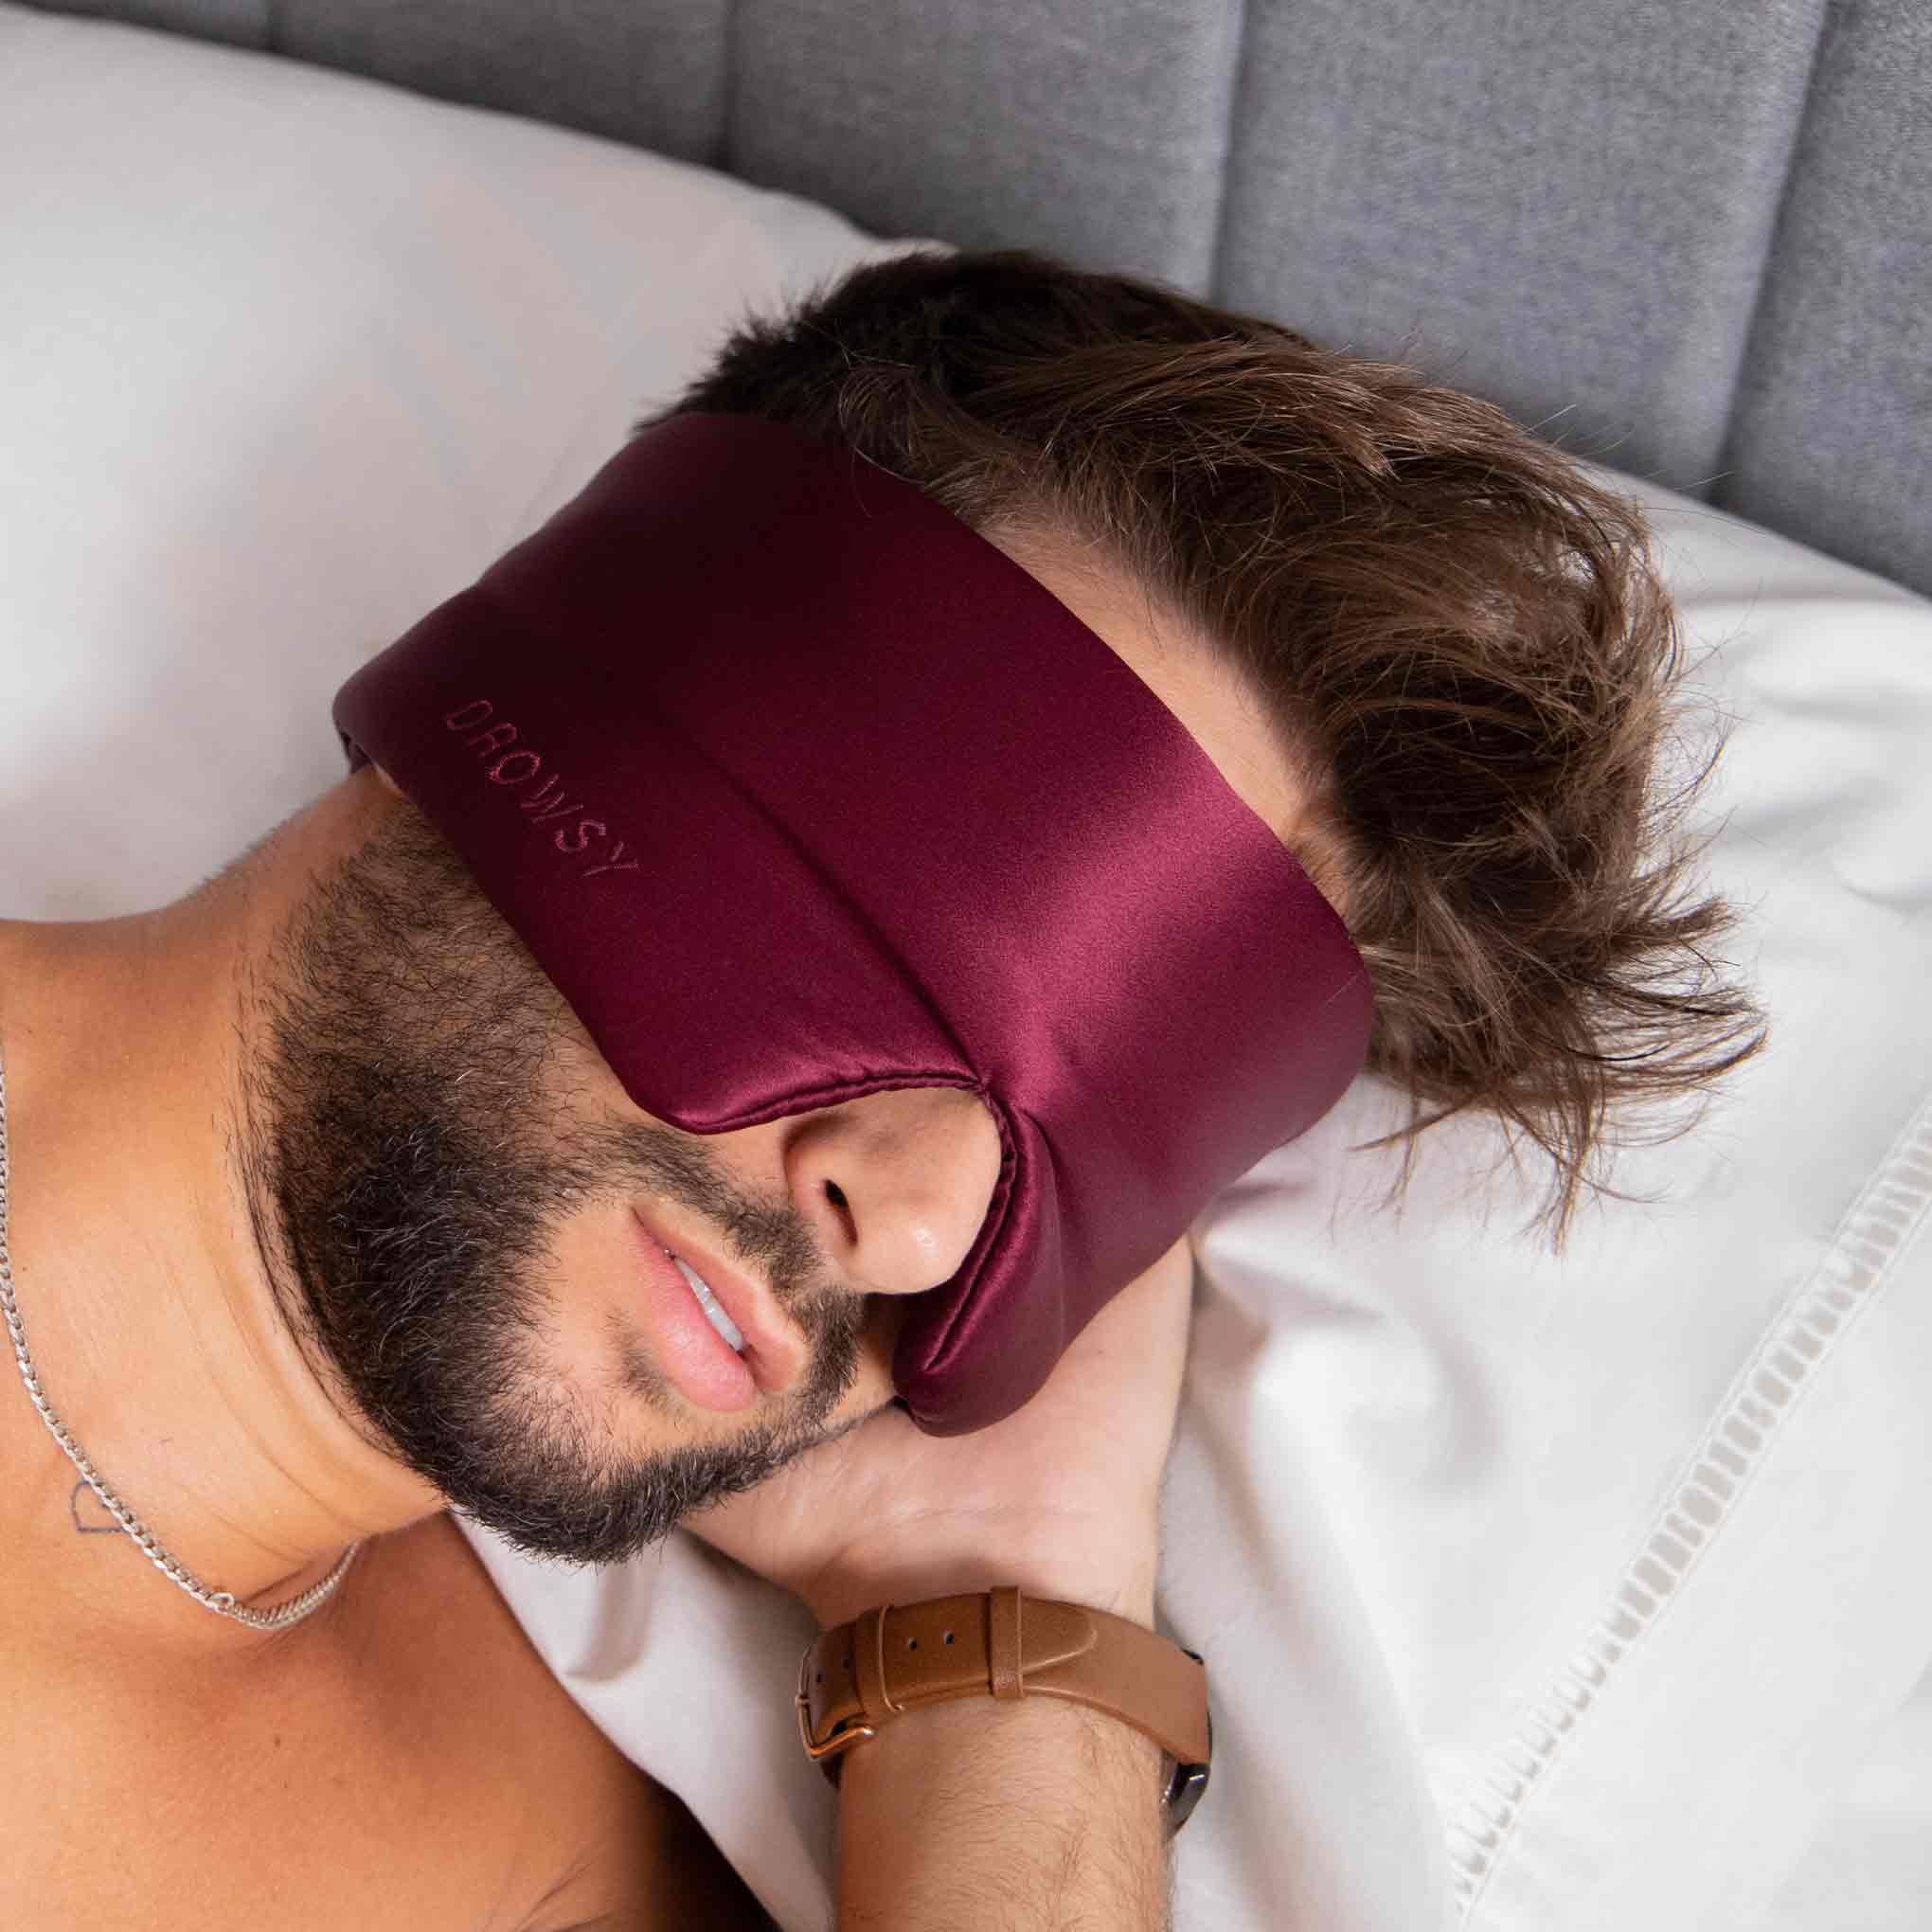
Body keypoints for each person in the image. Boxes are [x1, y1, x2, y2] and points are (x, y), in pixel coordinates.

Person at [0, 249, 1764, 1929]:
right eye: (920, 947)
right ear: (531, 699)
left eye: (1069, 1168)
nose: (914, 1222)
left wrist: (1001, 1624)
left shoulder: (513, 1855)